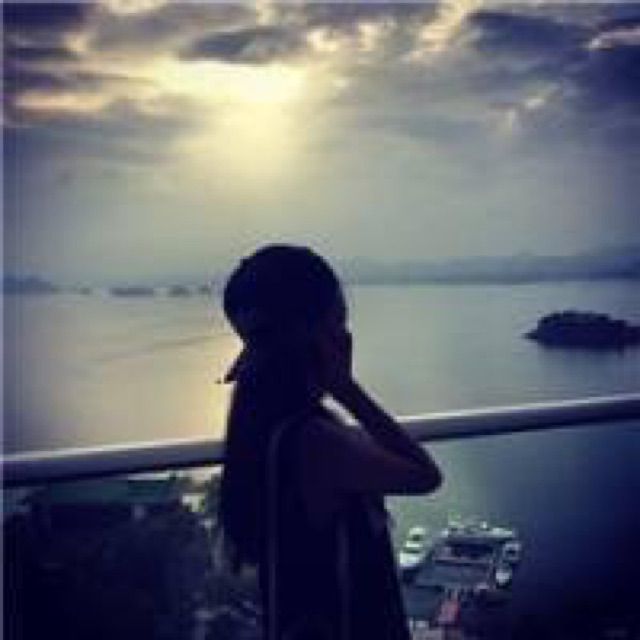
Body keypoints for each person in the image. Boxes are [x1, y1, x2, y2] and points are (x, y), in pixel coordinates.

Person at [218, 244, 442, 640]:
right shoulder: (317, 441)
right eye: (340, 321)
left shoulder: (263, 424)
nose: (346, 336)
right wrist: (347, 389)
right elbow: (425, 476)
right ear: (321, 335)